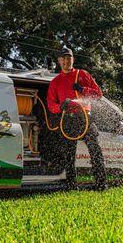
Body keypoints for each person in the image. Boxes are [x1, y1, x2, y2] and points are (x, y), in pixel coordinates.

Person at [46, 47, 107, 190]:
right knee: (68, 154)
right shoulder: (55, 81)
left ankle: (101, 184)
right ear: (59, 61)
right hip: (67, 118)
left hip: (84, 117)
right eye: (63, 58)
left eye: (69, 58)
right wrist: (61, 107)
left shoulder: (83, 74)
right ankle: (71, 185)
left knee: (95, 150)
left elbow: (98, 94)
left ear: (73, 59)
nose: (66, 61)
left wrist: (82, 90)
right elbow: (50, 105)